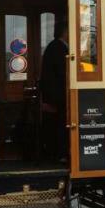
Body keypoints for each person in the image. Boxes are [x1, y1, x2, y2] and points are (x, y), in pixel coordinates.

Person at [39, 21, 70, 161]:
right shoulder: (58, 48)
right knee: (60, 125)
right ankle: (60, 153)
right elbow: (63, 73)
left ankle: (59, 152)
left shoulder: (55, 46)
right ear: (66, 32)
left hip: (55, 95)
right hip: (58, 96)